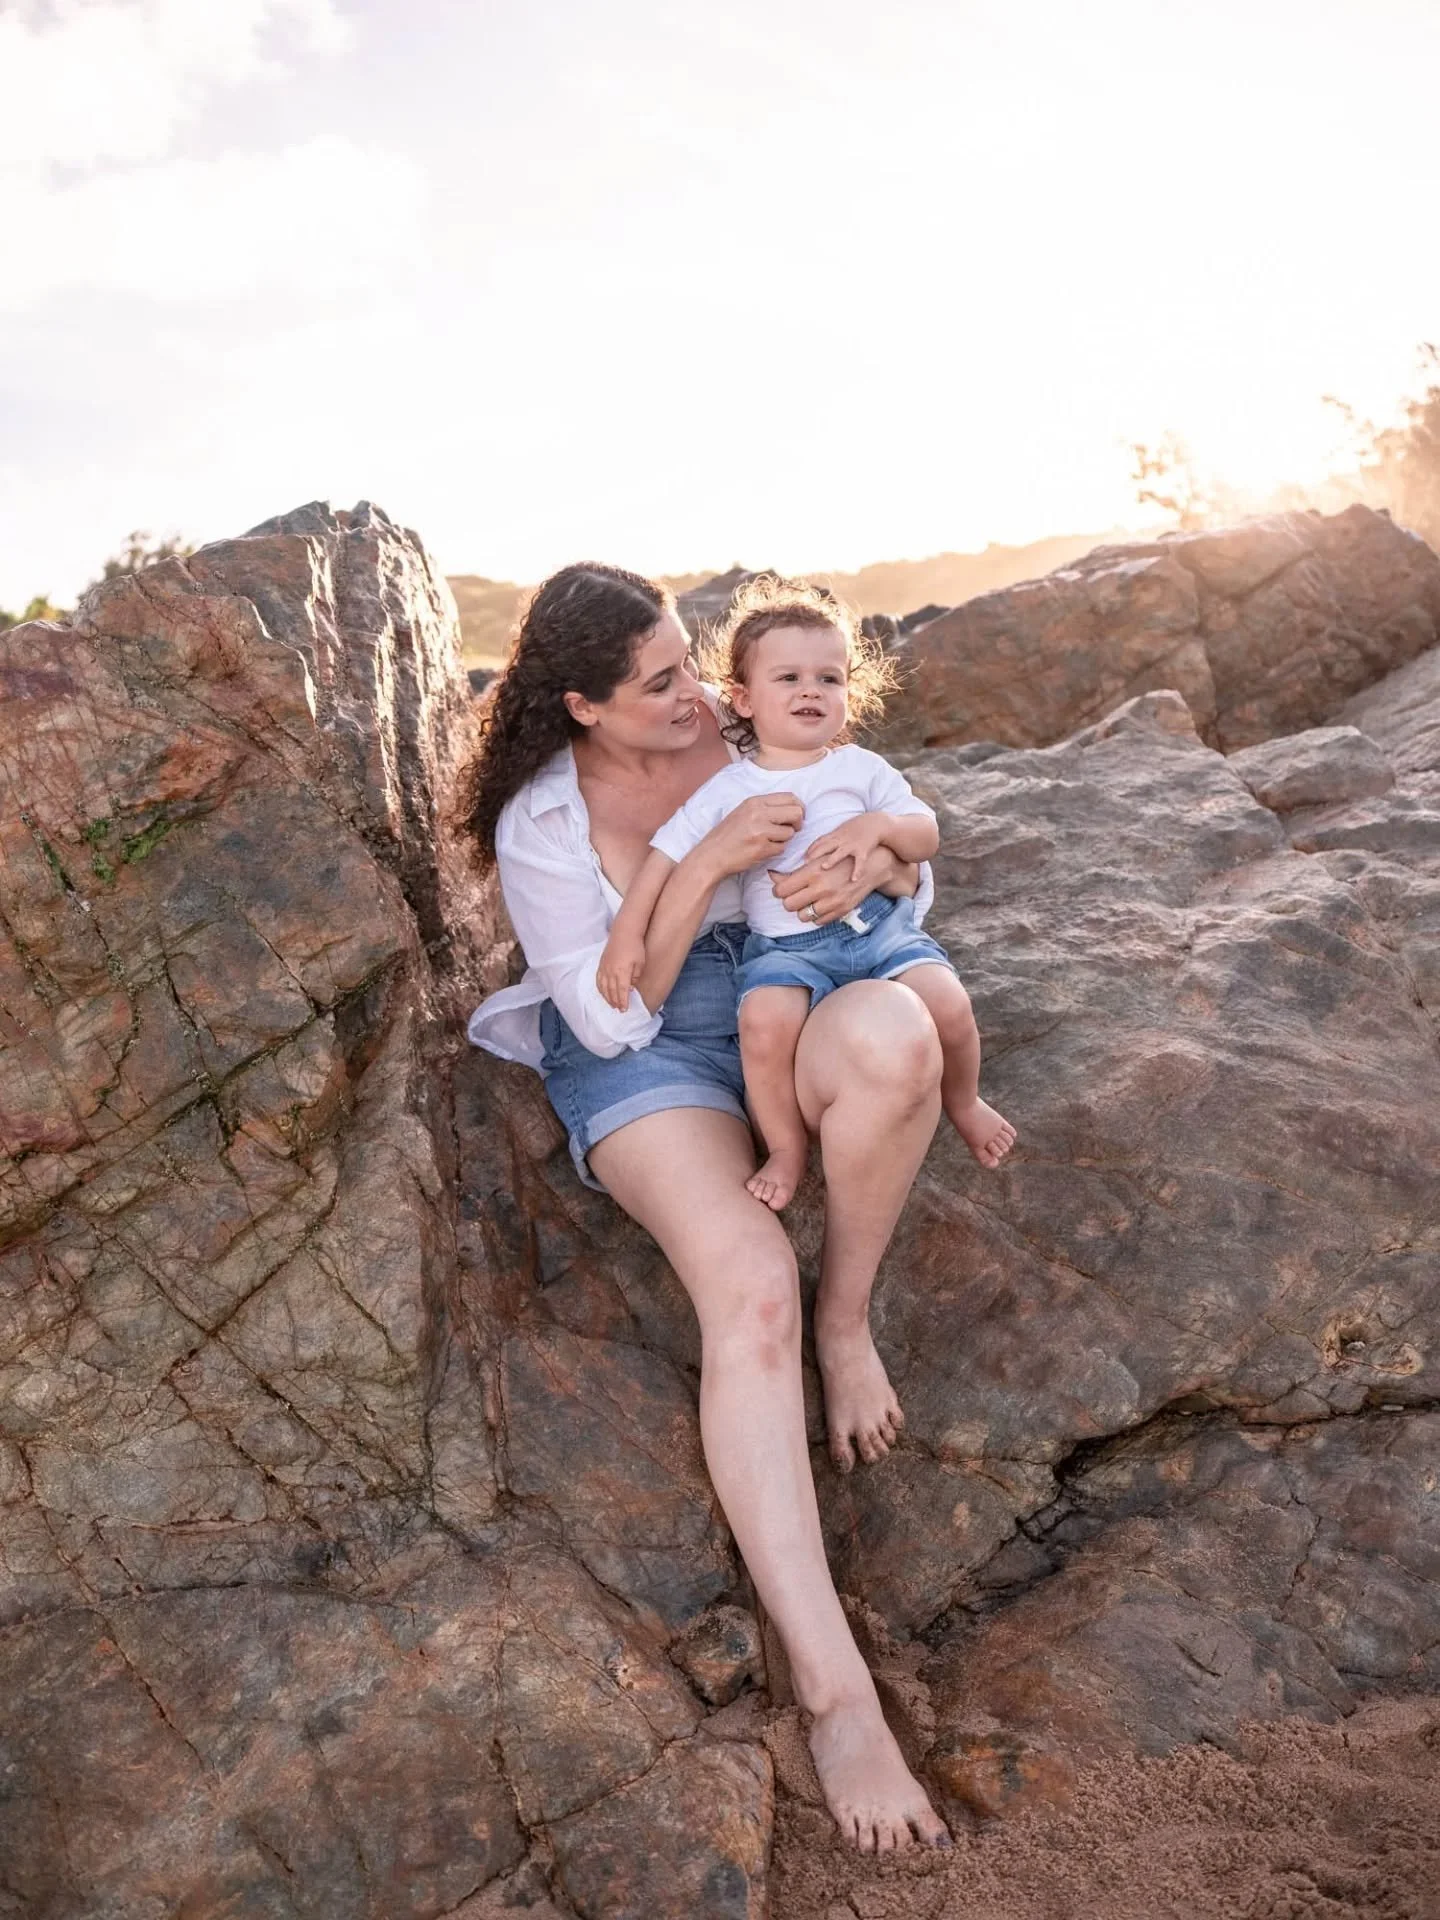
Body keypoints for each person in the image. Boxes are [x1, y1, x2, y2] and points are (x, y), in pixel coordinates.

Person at [459, 562, 952, 1854]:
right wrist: (707, 870)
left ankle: (850, 1323)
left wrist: (879, 853)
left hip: (794, 978)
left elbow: (898, 852)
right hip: (647, 1047)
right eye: (663, 684)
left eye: (692, 664)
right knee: (745, 1283)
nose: (697, 699)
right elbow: (610, 1010)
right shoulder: (544, 826)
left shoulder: (754, 717)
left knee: (902, 1047)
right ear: (583, 705)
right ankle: (837, 1693)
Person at [597, 576, 1016, 1210]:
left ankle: (964, 1100)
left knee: (948, 1003)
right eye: (788, 678)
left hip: (878, 928)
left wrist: (877, 827)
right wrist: (626, 934)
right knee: (763, 1029)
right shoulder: (727, 788)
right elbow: (665, 857)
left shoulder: (861, 769)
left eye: (829, 678)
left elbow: (924, 834)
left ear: (850, 690)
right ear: (741, 698)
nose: (811, 691)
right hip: (785, 950)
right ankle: (786, 1147)